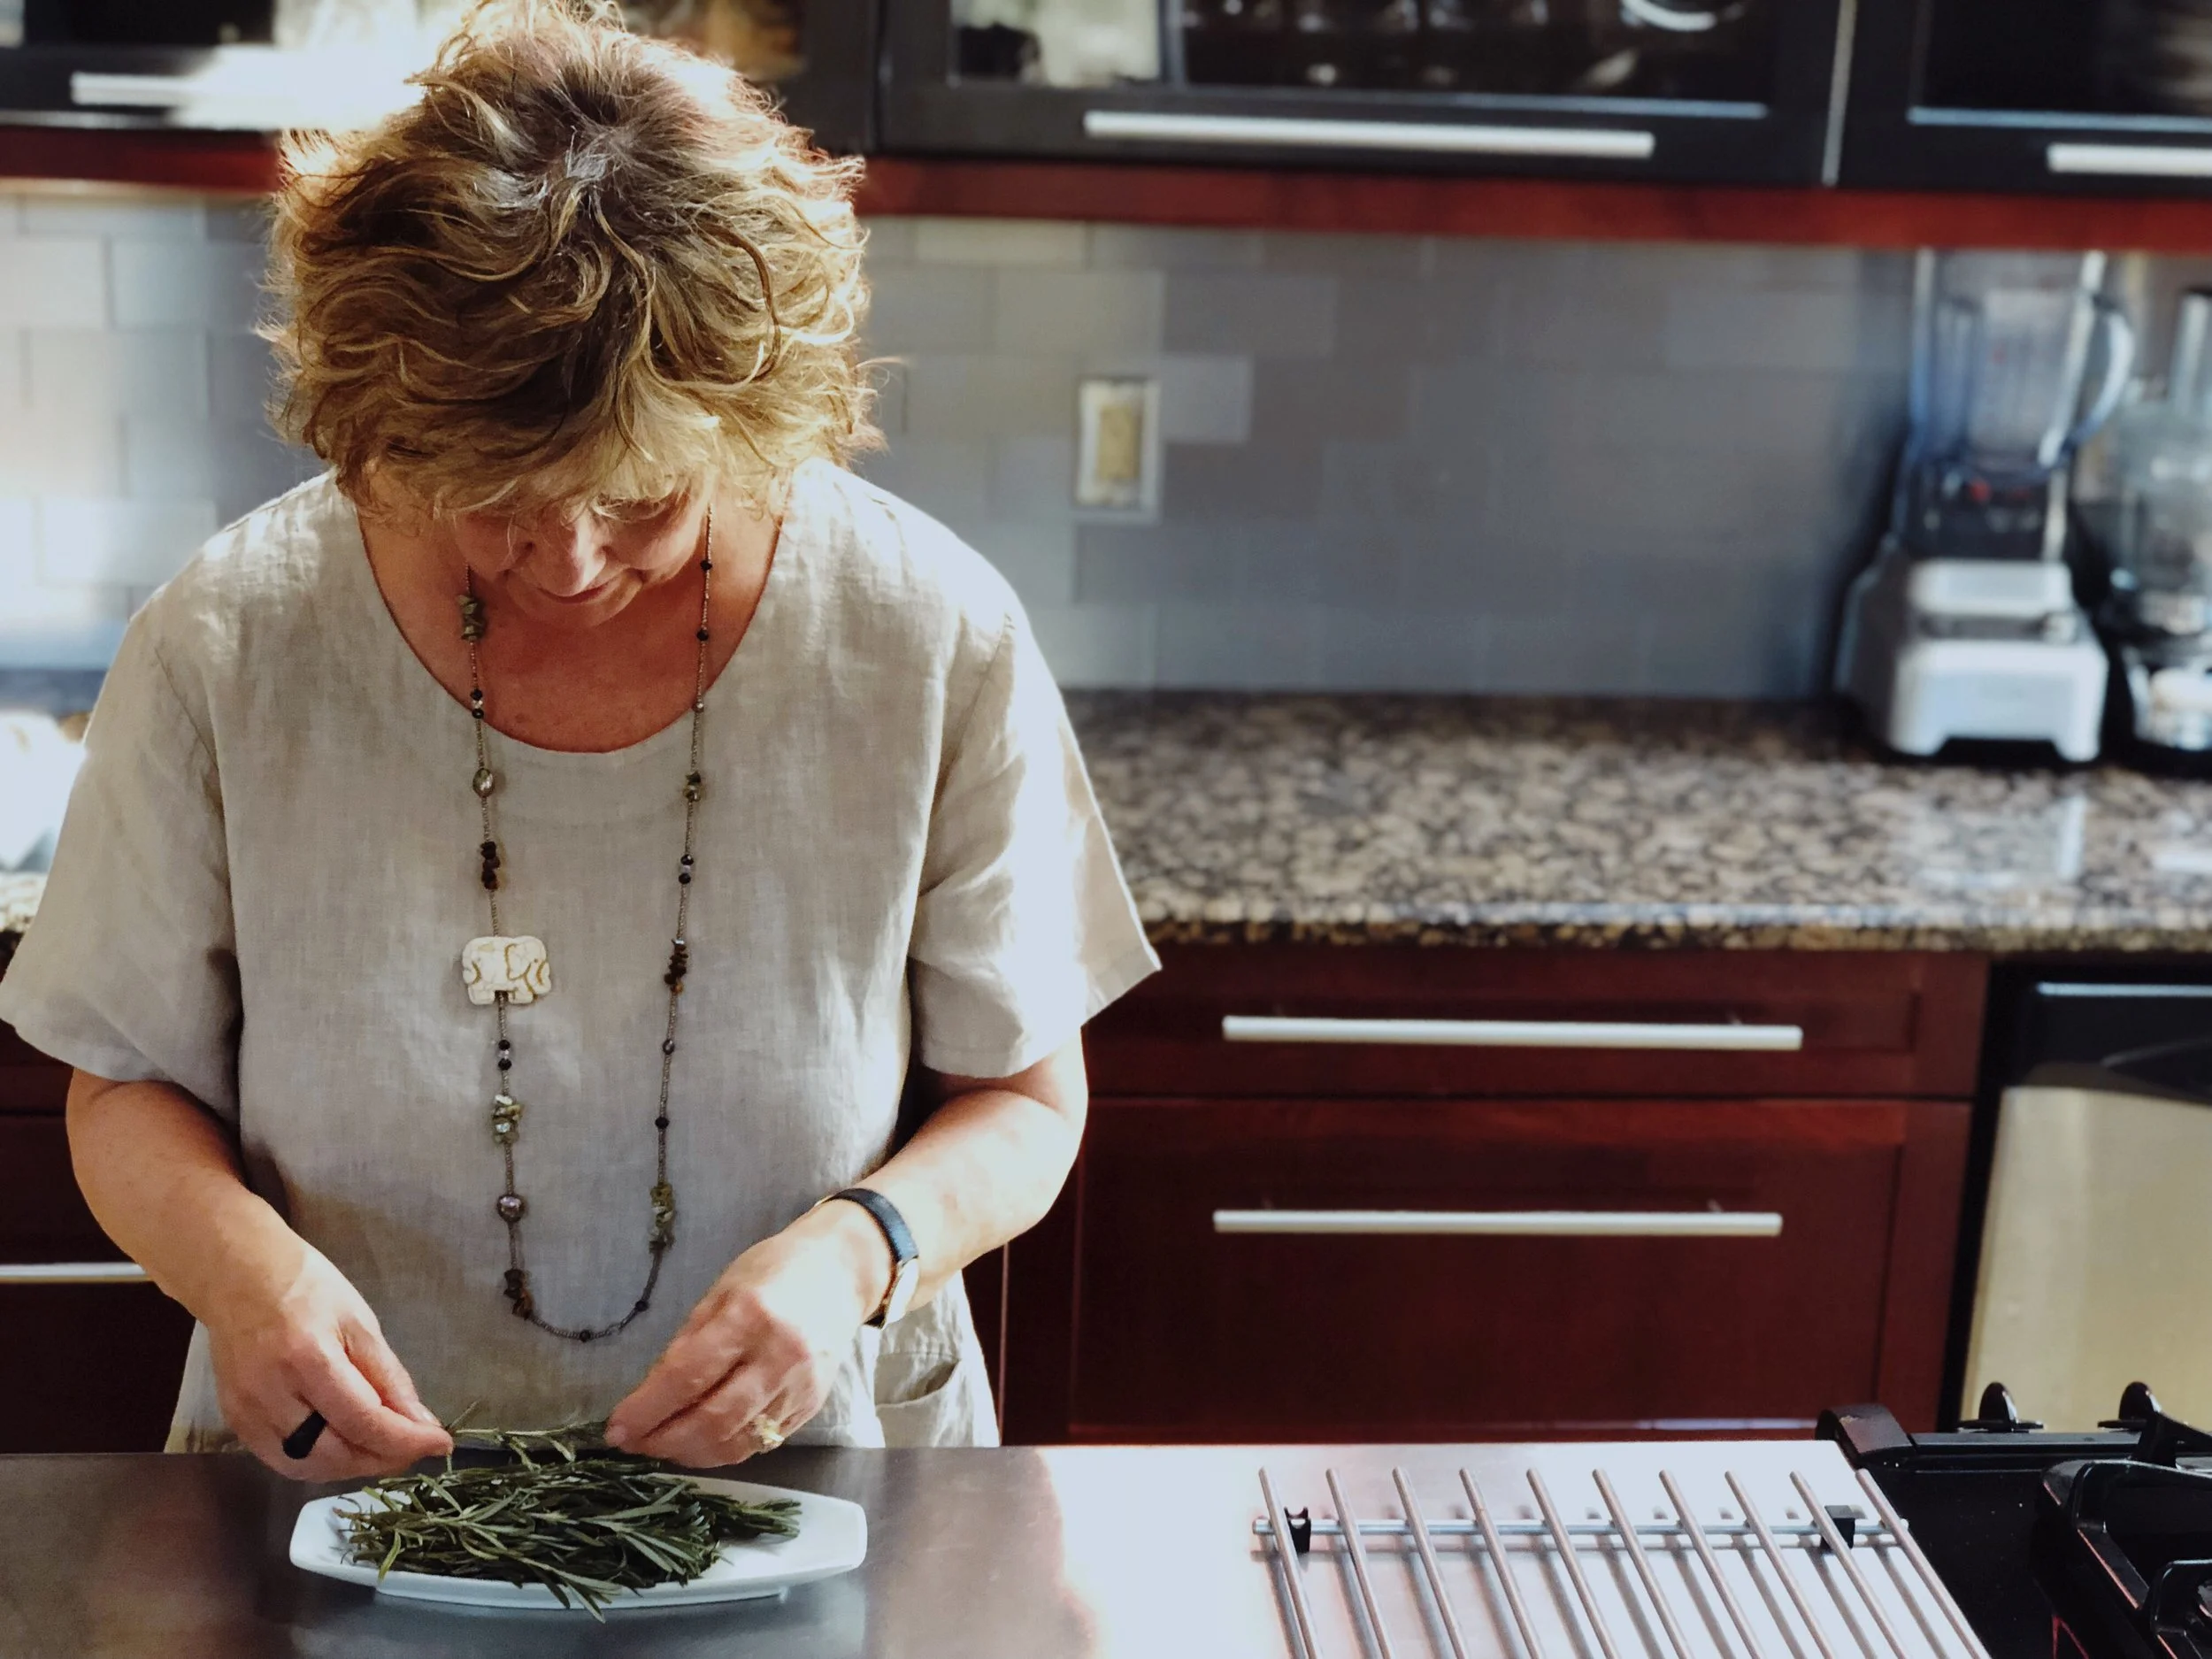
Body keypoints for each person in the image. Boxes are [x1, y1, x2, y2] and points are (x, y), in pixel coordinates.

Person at [0, 0, 1156, 1480]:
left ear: (750, 424)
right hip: (336, 1489)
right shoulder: (230, 640)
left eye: (644, 504)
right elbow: (124, 1086)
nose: (571, 564)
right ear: (386, 435)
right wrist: (240, 1272)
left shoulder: (927, 634)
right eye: (494, 501)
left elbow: (1028, 1099)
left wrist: (859, 1252)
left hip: (818, 1489)